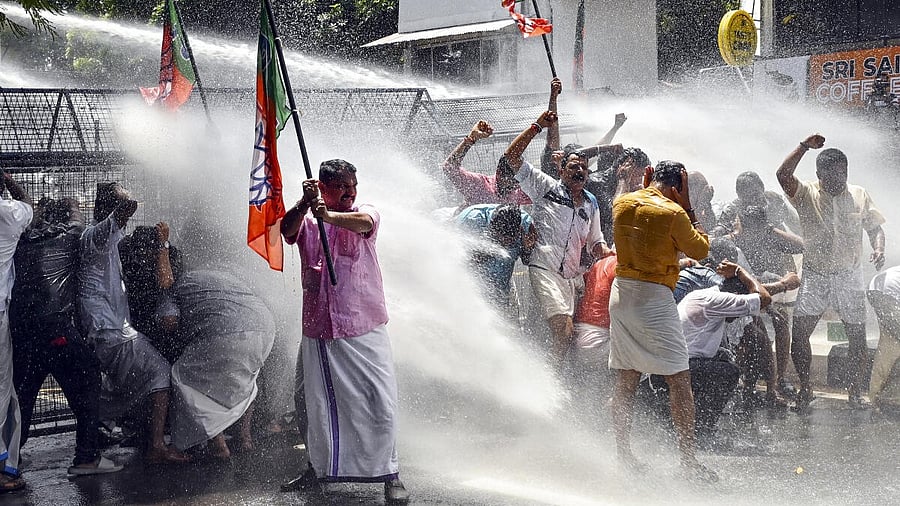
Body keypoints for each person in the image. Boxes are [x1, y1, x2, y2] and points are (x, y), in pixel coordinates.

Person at [280, 159, 408, 504]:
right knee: (311, 403)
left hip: (362, 326)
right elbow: (286, 230)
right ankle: (316, 468)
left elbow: (364, 223)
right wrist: (305, 204)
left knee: (380, 400)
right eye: (341, 186)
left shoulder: (363, 212)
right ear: (323, 188)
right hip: (319, 328)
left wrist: (330, 216)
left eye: (353, 185)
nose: (351, 192)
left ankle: (389, 474)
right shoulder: (309, 222)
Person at [607, 160, 715, 481]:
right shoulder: (674, 213)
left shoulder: (621, 203)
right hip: (654, 298)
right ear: (681, 183)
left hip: (621, 294)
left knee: (626, 379)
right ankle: (688, 462)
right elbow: (702, 249)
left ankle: (623, 455)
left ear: (647, 177)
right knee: (679, 381)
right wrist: (690, 208)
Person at [77, 182, 190, 464]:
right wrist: (125, 195)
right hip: (110, 329)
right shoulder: (98, 235)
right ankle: (156, 447)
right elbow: (129, 206)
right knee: (160, 372)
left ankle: (98, 430)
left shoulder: (106, 239)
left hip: (107, 328)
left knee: (124, 384)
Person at [10, 197, 122, 476]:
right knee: (87, 378)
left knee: (22, 396)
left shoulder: (21, 238)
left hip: (22, 331)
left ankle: (10, 457)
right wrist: (71, 206)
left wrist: (41, 211)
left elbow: (31, 217)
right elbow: (78, 221)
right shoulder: (70, 235)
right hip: (56, 329)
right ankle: (87, 457)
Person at [776, 134, 886, 411]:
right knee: (800, 333)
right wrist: (802, 146)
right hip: (816, 274)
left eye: (843, 173)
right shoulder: (806, 194)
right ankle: (806, 388)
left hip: (849, 274)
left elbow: (874, 227)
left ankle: (854, 392)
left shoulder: (859, 194)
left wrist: (878, 248)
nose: (839, 180)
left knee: (857, 335)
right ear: (819, 174)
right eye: (832, 175)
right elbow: (782, 174)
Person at [505, 111, 612, 368]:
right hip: (544, 268)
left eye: (584, 168)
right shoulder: (546, 187)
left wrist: (612, 254)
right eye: (573, 166)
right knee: (562, 329)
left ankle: (539, 370)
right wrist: (537, 126)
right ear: (561, 169)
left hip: (570, 279)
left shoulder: (591, 202)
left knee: (562, 334)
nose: (579, 171)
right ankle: (550, 388)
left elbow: (596, 243)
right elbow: (511, 157)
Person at [167, 269, 276, 458]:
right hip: (264, 328)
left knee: (186, 381)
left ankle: (218, 444)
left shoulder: (174, 287)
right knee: (247, 379)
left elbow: (168, 322)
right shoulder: (222, 276)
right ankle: (245, 437)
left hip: (224, 334)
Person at [678, 260, 771, 444]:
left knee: (723, 356)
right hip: (681, 366)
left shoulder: (703, 294)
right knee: (729, 372)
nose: (737, 315)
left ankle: (695, 421)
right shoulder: (718, 301)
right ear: (735, 295)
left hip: (676, 362)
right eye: (738, 308)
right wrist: (740, 270)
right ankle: (702, 431)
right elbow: (765, 299)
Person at [728, 204, 805, 398]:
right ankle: (747, 382)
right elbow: (747, 285)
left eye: (760, 229)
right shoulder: (733, 244)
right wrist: (781, 287)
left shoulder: (769, 234)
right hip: (737, 294)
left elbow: (801, 245)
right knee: (757, 334)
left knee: (780, 322)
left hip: (761, 284)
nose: (756, 235)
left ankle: (779, 379)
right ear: (743, 226)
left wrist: (773, 230)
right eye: (751, 229)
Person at [0, 170, 32, 491]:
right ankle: (2, 469)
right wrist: (8, 178)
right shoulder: (10, 214)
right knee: (1, 389)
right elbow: (26, 202)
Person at [455, 203, 535, 308]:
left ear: (519, 229)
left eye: (511, 240)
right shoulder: (471, 220)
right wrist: (486, 253)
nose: (506, 243)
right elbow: (455, 262)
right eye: (501, 238)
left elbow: (528, 261)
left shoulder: (526, 226)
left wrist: (528, 249)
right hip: (469, 292)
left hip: (501, 292)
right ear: (492, 226)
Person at [440, 120, 531, 210]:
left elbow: (544, 190)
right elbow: (449, 167)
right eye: (512, 178)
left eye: (518, 179)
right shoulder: (480, 185)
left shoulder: (518, 192)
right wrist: (472, 138)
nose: (515, 184)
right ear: (500, 173)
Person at [867, 266, 900, 415]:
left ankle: (877, 399)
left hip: (877, 289)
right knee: (891, 346)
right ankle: (886, 399)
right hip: (889, 293)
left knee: (889, 346)